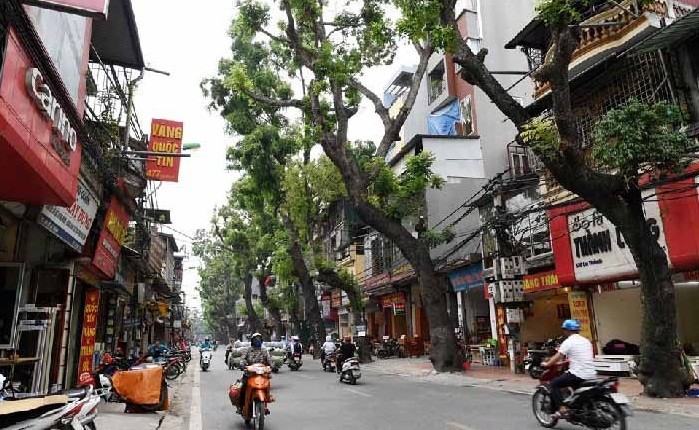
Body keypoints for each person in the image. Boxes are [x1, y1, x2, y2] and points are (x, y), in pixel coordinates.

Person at [543, 319, 596, 419]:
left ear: (567, 330)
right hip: (591, 373)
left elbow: (557, 357)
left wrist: (547, 364)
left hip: (578, 374)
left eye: (564, 330)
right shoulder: (586, 341)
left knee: (554, 383)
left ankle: (562, 408)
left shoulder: (568, 342)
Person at [238, 333, 271, 413]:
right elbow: (242, 359)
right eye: (256, 339)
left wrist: (272, 365)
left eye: (259, 339)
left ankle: (265, 403)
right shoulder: (248, 350)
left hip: (262, 374)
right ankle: (241, 406)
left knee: (267, 386)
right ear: (252, 341)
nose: (257, 341)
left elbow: (269, 360)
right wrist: (242, 364)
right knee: (243, 387)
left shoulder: (264, 351)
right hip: (249, 374)